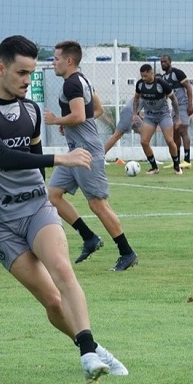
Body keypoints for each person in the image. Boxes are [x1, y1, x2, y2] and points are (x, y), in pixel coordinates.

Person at [0, 35, 127, 382]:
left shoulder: (32, 111)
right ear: (0, 68)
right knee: (51, 300)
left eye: (31, 73)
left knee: (63, 269)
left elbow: (36, 169)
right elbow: (1, 157)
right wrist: (60, 156)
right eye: (20, 72)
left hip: (35, 208)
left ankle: (88, 352)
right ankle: (91, 346)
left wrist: (42, 193)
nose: (26, 80)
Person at [44, 40, 138, 272]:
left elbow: (77, 115)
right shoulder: (83, 79)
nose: (53, 62)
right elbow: (96, 110)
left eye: (56, 58)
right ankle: (89, 238)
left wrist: (58, 120)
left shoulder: (71, 85)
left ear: (69, 60)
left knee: (98, 204)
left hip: (86, 152)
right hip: (75, 150)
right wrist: (70, 124)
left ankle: (127, 252)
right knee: (53, 195)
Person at [133, 63, 182, 175]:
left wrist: (177, 117)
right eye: (142, 76)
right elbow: (136, 99)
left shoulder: (162, 84)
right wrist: (134, 113)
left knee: (170, 141)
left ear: (152, 73)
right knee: (144, 141)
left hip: (163, 114)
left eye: (145, 76)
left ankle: (176, 166)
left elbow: (174, 100)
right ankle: (154, 168)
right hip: (150, 116)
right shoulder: (140, 84)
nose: (143, 78)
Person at [160, 55, 193, 168]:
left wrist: (190, 104)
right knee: (175, 133)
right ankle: (177, 161)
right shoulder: (164, 78)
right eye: (161, 62)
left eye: (165, 61)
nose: (163, 64)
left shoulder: (177, 73)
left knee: (183, 130)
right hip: (174, 109)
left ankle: (187, 160)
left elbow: (188, 87)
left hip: (183, 105)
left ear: (170, 62)